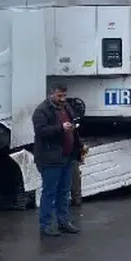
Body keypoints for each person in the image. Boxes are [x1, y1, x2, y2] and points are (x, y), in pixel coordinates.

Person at [32, 84, 82, 236]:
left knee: (64, 191)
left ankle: (63, 222)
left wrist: (80, 146)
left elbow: (74, 129)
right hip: (50, 158)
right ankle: (45, 225)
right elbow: (41, 131)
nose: (62, 99)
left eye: (64, 96)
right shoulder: (41, 111)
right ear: (51, 94)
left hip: (67, 157)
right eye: (59, 96)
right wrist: (61, 128)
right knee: (49, 192)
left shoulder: (66, 108)